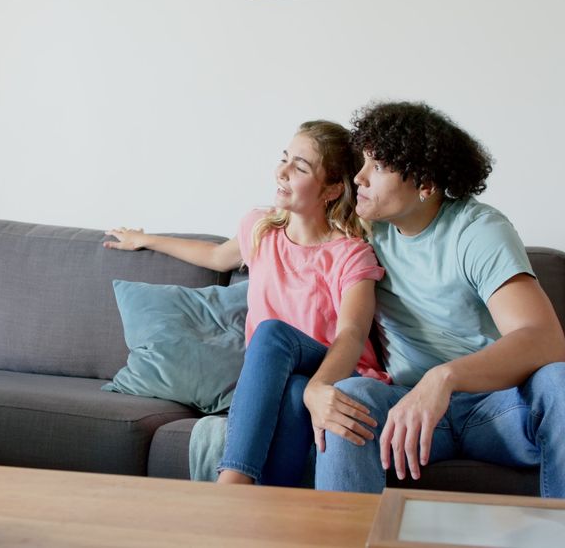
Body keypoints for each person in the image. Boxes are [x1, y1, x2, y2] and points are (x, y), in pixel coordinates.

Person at [309, 101, 565, 500]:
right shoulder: (361, 234)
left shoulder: (476, 230)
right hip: (408, 415)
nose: (360, 177)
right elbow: (283, 236)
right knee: (350, 399)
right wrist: (316, 386)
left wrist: (443, 378)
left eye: (379, 166)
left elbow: (543, 339)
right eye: (363, 162)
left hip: (498, 408)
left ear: (425, 185)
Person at [104, 120, 386, 487]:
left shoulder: (350, 254)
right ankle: (265, 515)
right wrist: (147, 239)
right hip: (286, 379)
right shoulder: (262, 230)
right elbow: (217, 256)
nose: (282, 172)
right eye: (284, 159)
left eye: (300, 168)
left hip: (340, 372)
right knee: (295, 391)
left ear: (332, 188)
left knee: (272, 336)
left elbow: (351, 333)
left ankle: (232, 483)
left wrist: (323, 384)